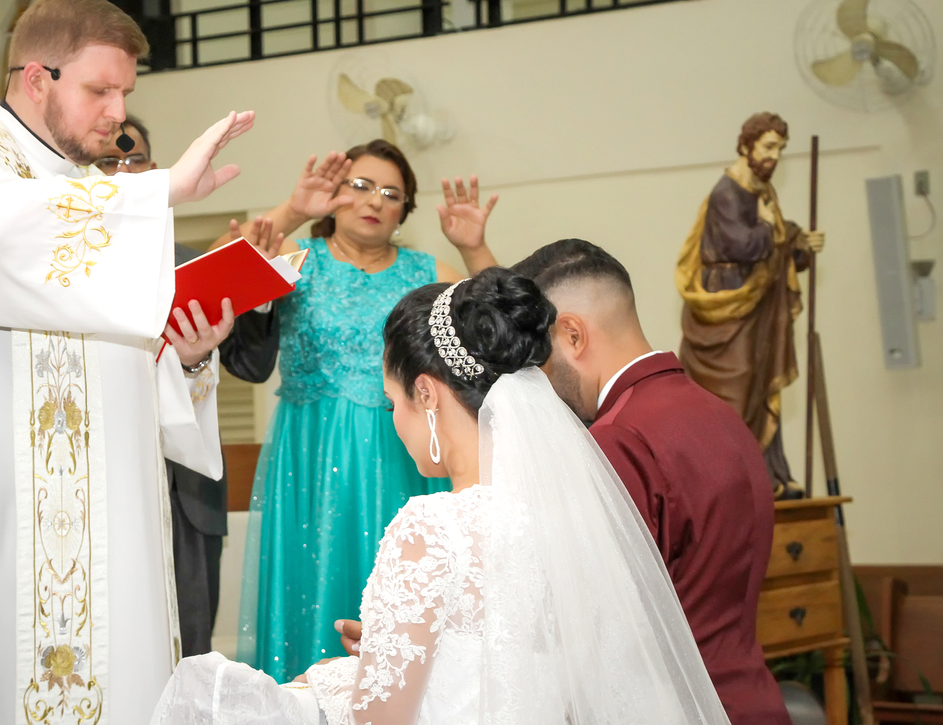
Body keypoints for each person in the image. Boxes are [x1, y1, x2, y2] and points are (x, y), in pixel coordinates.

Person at [0, 0, 254, 724]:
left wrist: (186, 358)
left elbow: (111, 359)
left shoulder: (92, 192)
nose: (119, 113)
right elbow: (10, 236)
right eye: (100, 91)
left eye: (126, 93)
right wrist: (161, 191)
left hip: (112, 531)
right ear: (35, 78)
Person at [150, 269, 732, 725]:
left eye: (392, 402)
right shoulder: (578, 515)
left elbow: (380, 721)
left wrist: (333, 680)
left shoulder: (432, 528)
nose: (394, 421)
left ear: (426, 394)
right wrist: (384, 658)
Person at [221, 142, 497, 681]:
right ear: (333, 192)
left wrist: (474, 248)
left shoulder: (429, 271)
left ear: (405, 211)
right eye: (361, 186)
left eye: (391, 193)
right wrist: (292, 209)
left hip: (404, 455)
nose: (375, 201)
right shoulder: (296, 257)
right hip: (308, 455)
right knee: (309, 578)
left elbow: (499, 325)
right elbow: (216, 269)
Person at [510, 239, 791, 725]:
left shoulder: (618, 439)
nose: (541, 381)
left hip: (677, 706)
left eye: (539, 358)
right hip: (751, 698)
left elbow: (599, 631)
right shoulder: (722, 415)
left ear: (572, 334)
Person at [96, 115, 283, 657]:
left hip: (188, 497)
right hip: (106, 485)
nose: (123, 172)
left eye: (134, 160)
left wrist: (256, 288)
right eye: (108, 161)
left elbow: (251, 366)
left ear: (156, 171)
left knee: (192, 650)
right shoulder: (65, 271)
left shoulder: (193, 266)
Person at [676, 112, 825, 499]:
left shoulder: (761, 190)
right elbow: (743, 244)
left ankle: (768, 475)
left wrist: (799, 244)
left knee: (760, 385)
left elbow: (773, 244)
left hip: (757, 308)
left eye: (780, 149)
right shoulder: (728, 192)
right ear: (746, 146)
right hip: (728, 303)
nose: (774, 156)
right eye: (769, 147)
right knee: (737, 386)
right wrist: (773, 230)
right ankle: (734, 477)